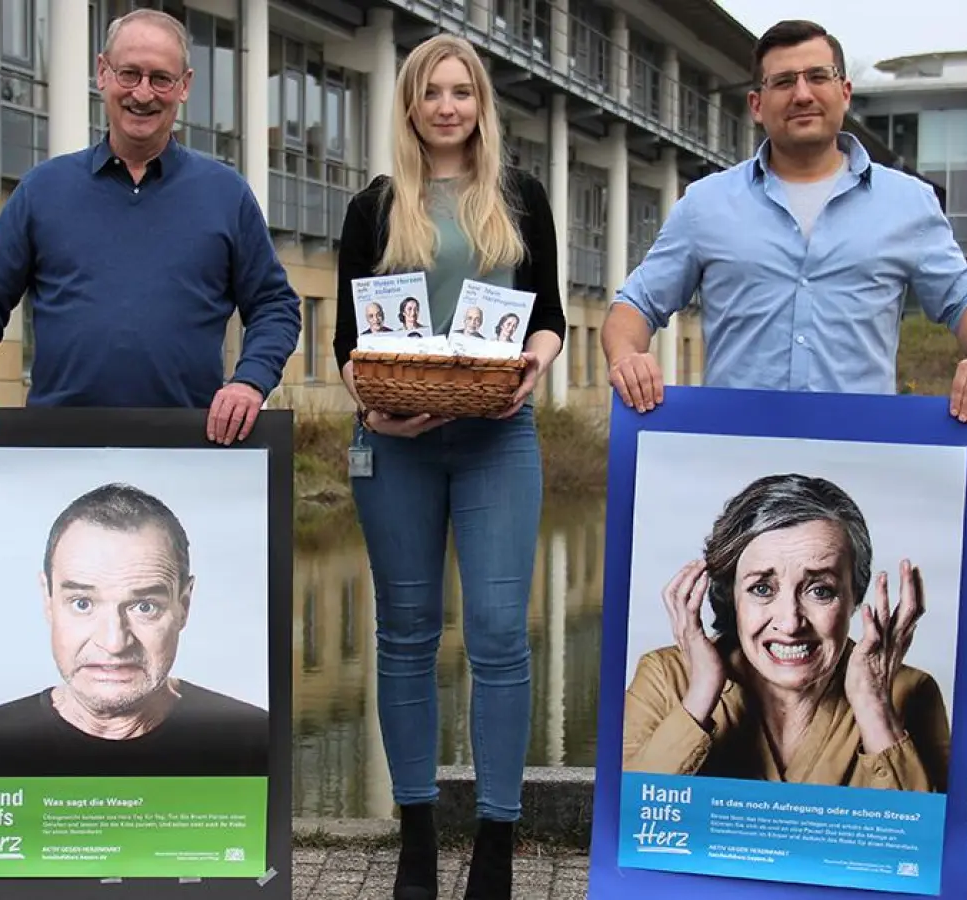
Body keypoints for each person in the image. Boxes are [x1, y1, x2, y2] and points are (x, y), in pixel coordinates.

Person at [331, 34, 566, 900]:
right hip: (396, 444)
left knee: (501, 634)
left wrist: (533, 367)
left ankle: (497, 846)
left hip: (499, 435)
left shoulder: (519, 197)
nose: (447, 106)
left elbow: (550, 318)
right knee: (405, 635)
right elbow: (348, 345)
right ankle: (419, 840)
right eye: (431, 91)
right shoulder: (374, 206)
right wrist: (374, 403)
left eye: (461, 90)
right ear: (409, 104)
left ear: (480, 103)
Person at [602, 20, 967, 423]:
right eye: (782, 82)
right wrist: (626, 357)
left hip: (859, 456)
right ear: (757, 105)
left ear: (844, 92)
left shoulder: (908, 203)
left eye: (818, 76)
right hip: (734, 455)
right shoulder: (705, 204)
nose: (802, 94)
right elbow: (634, 305)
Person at [0, 9, 300, 445]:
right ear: (101, 72)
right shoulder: (43, 190)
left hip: (191, 452)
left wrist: (250, 382)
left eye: (160, 78)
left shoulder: (226, 195)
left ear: (184, 86)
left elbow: (275, 306)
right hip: (59, 450)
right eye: (129, 73)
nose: (142, 93)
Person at [622, 474, 950, 793]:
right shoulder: (665, 678)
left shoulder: (911, 692)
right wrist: (701, 695)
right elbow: (625, 822)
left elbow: (923, 843)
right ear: (729, 596)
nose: (790, 623)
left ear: (854, 596)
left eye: (820, 591)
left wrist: (873, 707)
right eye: (762, 589)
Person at [0, 482, 269, 778]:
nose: (114, 642)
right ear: (48, 600)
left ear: (183, 606)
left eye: (144, 606)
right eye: (82, 603)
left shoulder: (251, 742)